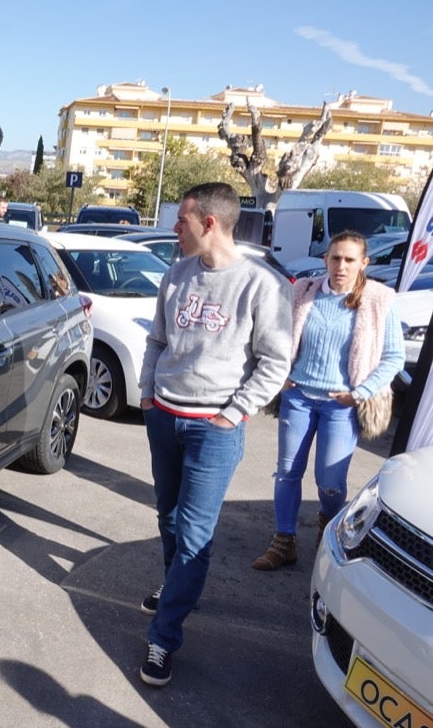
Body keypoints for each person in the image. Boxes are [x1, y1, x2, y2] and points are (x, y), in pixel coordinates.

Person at [137, 182, 293, 687]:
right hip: (164, 417)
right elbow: (158, 339)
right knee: (169, 518)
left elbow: (275, 362)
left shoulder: (262, 285)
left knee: (195, 537)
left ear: (209, 223)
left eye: (181, 220)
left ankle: (163, 637)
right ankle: (175, 586)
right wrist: (145, 393)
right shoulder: (176, 274)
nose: (173, 229)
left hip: (214, 429)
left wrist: (234, 413)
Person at [251, 230, 403, 571]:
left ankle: (329, 532)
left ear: (364, 263)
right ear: (325, 259)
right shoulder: (304, 291)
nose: (341, 266)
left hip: (342, 404)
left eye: (350, 260)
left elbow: (393, 357)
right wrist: (281, 375)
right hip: (299, 397)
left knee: (330, 482)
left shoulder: (378, 301)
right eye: (335, 258)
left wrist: (360, 394)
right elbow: (274, 336)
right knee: (287, 472)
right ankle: (283, 541)